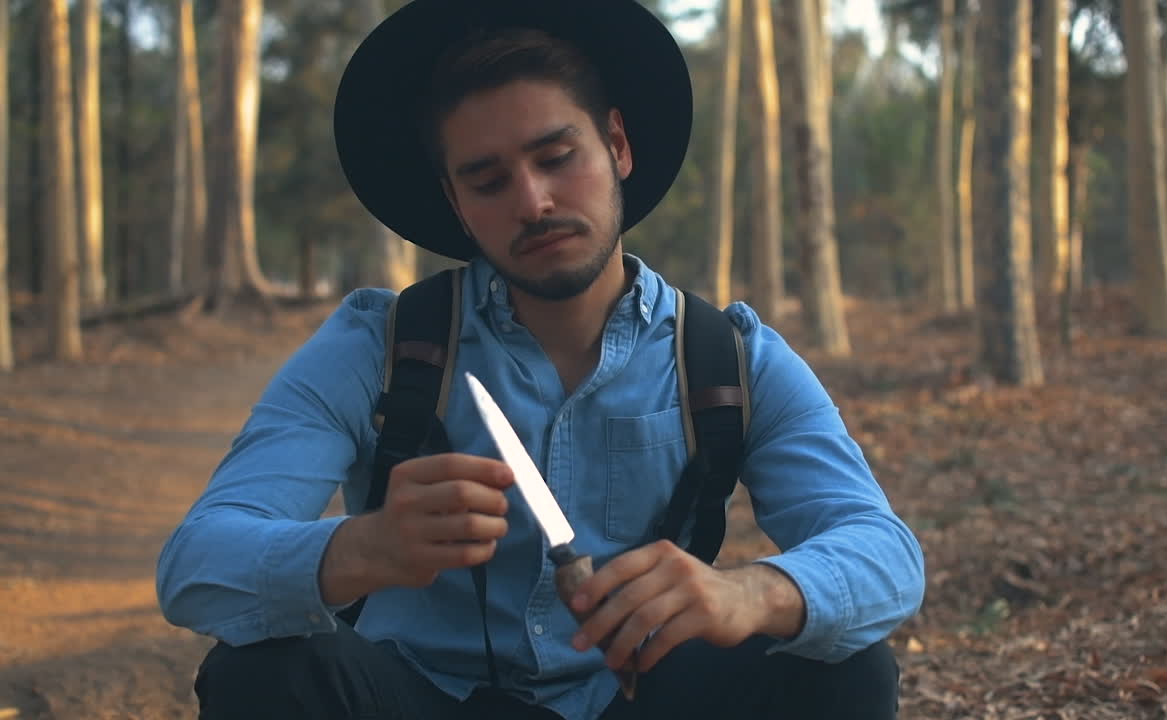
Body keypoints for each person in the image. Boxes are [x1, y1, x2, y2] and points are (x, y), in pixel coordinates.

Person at [155, 1, 926, 718]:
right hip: (422, 694)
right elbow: (196, 563)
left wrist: (753, 592)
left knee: (848, 671)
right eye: (488, 181)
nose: (532, 201)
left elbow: (883, 552)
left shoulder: (727, 358)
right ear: (456, 207)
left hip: (642, 696)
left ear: (617, 145)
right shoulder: (380, 346)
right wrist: (363, 548)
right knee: (263, 673)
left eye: (557, 157)